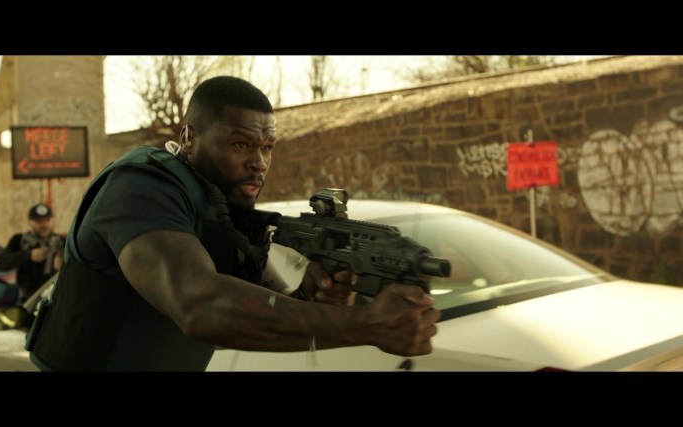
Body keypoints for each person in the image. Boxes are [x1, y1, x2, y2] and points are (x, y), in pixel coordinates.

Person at [26, 76, 440, 371]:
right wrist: (366, 324)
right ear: (189, 137)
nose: (259, 163)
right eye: (241, 144)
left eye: (267, 147)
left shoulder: (217, 207)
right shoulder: (140, 188)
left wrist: (313, 298)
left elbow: (254, 312)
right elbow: (200, 305)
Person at [0, 203, 66, 302]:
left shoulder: (60, 242)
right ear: (30, 222)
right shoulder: (19, 240)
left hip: (55, 297)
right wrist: (28, 255)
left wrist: (62, 265)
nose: (44, 225)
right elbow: (0, 263)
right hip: (29, 299)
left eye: (47, 220)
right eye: (39, 221)